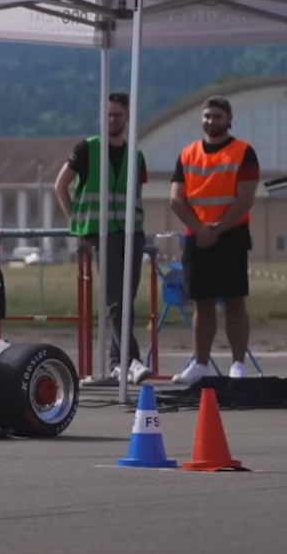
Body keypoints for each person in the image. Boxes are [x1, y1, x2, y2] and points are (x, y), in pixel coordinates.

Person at [53, 92, 153, 385]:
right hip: (101, 234)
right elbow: (60, 186)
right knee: (114, 300)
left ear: (127, 118)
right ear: (101, 118)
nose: (113, 120)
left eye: (118, 115)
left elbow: (137, 192)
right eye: (108, 115)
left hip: (131, 232)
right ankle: (130, 361)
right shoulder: (87, 149)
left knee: (126, 299)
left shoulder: (136, 155)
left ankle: (115, 364)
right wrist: (78, 222)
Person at [169, 96, 260, 385]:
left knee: (235, 302)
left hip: (230, 235)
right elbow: (176, 199)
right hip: (197, 237)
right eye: (207, 116)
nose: (211, 121)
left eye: (217, 116)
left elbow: (245, 199)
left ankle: (237, 365)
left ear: (228, 120)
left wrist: (217, 229)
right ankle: (200, 364)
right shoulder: (187, 153)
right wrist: (199, 229)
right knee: (202, 303)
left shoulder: (243, 152)